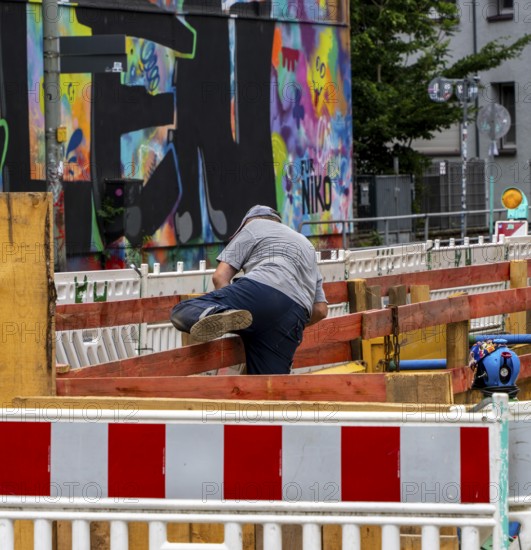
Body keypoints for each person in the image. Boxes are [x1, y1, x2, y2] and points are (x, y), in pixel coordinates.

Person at [170, 205, 328, 375]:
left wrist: (234, 312)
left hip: (260, 291)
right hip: (295, 315)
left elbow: (220, 277)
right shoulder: (307, 245)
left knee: (181, 312)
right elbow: (320, 309)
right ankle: (233, 318)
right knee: (268, 390)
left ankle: (218, 313)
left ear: (247, 221)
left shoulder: (254, 226)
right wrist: (288, 325)